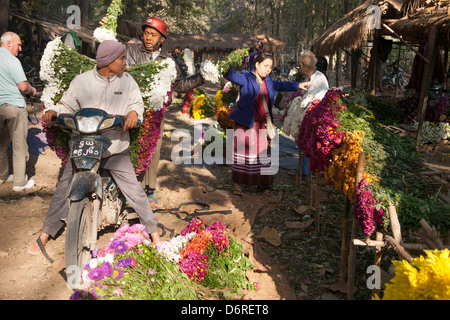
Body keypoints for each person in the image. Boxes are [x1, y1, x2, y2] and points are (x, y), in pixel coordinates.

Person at [28, 40, 161, 257]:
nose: (125, 62)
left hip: (115, 148)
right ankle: (46, 232)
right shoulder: (82, 81)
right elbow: (67, 105)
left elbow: (136, 105)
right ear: (108, 61)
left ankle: (154, 232)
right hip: (84, 146)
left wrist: (134, 114)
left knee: (134, 190)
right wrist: (53, 111)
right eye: (121, 58)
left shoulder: (127, 82)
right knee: (64, 186)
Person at [101, 15, 204, 198]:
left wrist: (202, 77)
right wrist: (106, 32)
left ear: (162, 39)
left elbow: (179, 85)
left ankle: (147, 189)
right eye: (146, 33)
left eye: (153, 35)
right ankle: (122, 186)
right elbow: (111, 55)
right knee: (126, 146)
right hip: (129, 108)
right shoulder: (131, 51)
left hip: (154, 112)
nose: (148, 37)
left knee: (152, 148)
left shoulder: (170, 61)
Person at [225, 52, 301, 195]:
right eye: (265, 66)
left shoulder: (269, 81)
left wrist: (298, 85)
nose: (268, 69)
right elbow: (233, 76)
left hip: (261, 124)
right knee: (243, 154)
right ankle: (237, 185)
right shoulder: (246, 77)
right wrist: (225, 68)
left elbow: (281, 85)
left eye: (270, 67)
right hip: (246, 124)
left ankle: (263, 184)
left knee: (263, 155)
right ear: (257, 65)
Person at [0, 31, 37, 192]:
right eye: (18, 44)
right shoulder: (12, 60)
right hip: (14, 106)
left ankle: (2, 175)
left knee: (0, 144)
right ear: (8, 44)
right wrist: (32, 91)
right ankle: (19, 182)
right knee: (19, 146)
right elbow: (23, 86)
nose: (20, 48)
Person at [297, 51, 329, 176]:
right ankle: (304, 171)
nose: (300, 68)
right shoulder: (310, 77)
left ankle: (308, 172)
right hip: (309, 116)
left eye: (300, 65)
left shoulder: (319, 78)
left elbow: (320, 98)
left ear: (305, 66)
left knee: (309, 143)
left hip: (316, 116)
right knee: (304, 142)